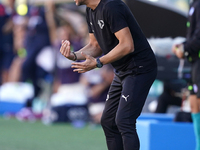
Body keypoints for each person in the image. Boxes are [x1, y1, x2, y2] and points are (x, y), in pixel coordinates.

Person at [60, 0, 157, 149]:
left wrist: (98, 62)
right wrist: (73, 55)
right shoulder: (91, 10)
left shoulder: (111, 6)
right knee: (108, 121)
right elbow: (95, 46)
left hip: (139, 68)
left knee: (124, 121)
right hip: (123, 70)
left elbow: (127, 45)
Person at [172, 0, 200, 149]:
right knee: (194, 104)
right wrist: (183, 46)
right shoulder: (194, 3)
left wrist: (184, 48)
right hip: (195, 62)